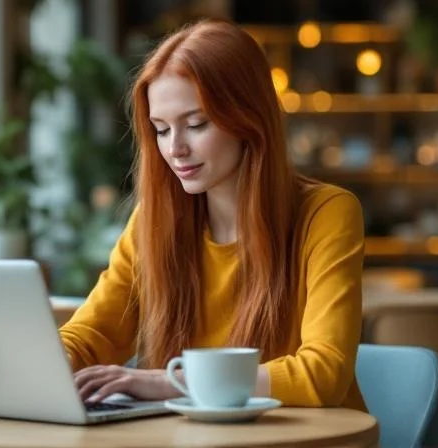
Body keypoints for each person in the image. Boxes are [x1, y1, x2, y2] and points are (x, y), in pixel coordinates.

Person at [58, 18, 366, 412]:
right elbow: (92, 334)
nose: (175, 149)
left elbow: (324, 374)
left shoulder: (327, 214)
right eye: (161, 129)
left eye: (196, 124)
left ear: (248, 120)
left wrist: (169, 382)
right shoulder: (153, 220)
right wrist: (38, 367)